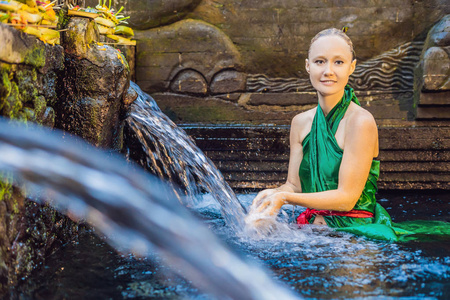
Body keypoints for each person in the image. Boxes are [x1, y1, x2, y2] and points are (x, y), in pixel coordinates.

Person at [248, 28, 398, 239]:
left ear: (351, 67)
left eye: (338, 62)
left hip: (354, 236)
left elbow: (346, 199)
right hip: (309, 231)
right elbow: (295, 186)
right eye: (320, 61)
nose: (328, 70)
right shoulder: (300, 123)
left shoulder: (361, 122)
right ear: (308, 66)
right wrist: (271, 194)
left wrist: (283, 198)